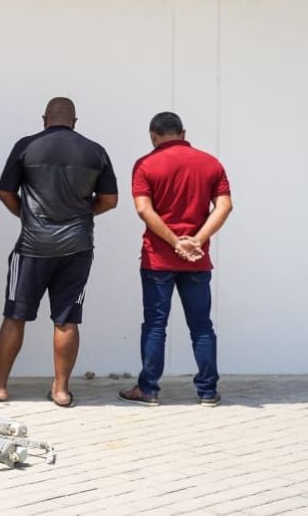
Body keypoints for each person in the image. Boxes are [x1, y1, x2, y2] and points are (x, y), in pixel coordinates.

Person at [0, 97, 118, 408]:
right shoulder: (95, 151)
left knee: (15, 315)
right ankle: (61, 391)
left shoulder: (27, 146)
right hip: (78, 247)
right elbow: (110, 200)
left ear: (44, 119)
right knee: (67, 320)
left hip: (32, 247)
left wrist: (26, 215)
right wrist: (81, 215)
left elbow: (4, 191)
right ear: (75, 122)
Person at [119, 112, 232, 407]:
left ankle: (148, 390)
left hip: (158, 259)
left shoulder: (145, 165)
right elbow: (225, 206)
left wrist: (174, 242)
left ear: (153, 136)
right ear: (183, 133)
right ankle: (208, 392)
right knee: (202, 326)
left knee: (155, 325)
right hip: (197, 259)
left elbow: (144, 209)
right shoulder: (211, 163)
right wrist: (197, 240)